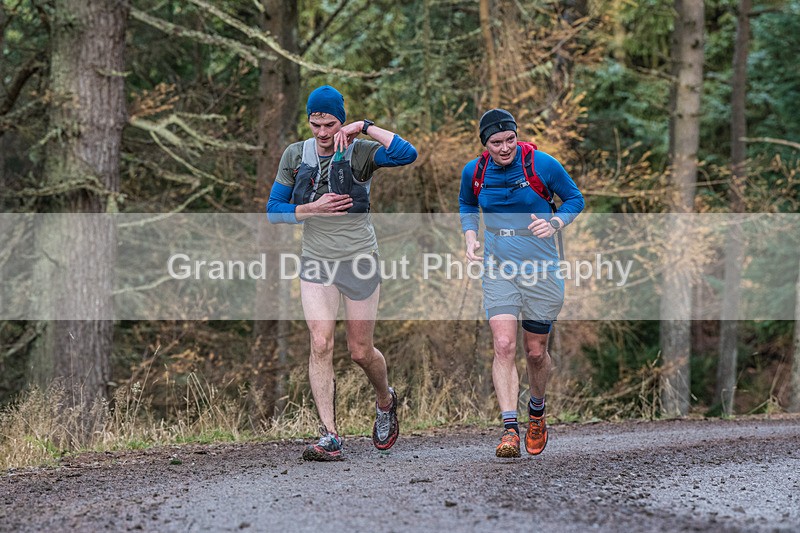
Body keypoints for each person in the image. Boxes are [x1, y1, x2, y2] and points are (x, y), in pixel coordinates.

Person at [266, 85, 417, 461]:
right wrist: (311, 209)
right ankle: (330, 435)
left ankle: (385, 400)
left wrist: (364, 126)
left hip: (359, 260)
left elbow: (406, 153)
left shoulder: (359, 151)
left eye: (330, 124)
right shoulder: (295, 155)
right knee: (320, 343)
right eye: (315, 124)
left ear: (341, 121)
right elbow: (273, 209)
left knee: (360, 352)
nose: (322, 132)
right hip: (316, 261)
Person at [458, 108, 584, 458]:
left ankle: (537, 413)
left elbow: (575, 199)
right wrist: (470, 236)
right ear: (485, 144)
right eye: (496, 142)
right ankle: (510, 429)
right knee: (503, 345)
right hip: (498, 266)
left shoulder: (542, 165)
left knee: (535, 352)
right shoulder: (474, 171)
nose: (504, 148)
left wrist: (555, 223)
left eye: (510, 139)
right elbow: (466, 203)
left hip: (542, 267)